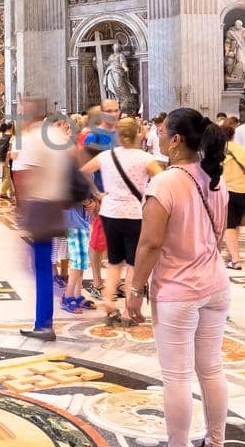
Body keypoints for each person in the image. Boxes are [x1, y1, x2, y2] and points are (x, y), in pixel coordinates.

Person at [125, 108, 231, 447]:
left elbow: (150, 243)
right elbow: (218, 236)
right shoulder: (216, 179)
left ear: (173, 140)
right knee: (212, 369)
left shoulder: (167, 183)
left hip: (177, 289)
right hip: (215, 284)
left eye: (162, 131)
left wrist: (134, 289)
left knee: (177, 377)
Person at [79, 118, 156, 326]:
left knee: (114, 262)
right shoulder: (145, 158)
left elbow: (82, 172)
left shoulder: (106, 156)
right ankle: (127, 311)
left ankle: (109, 303)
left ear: (118, 136)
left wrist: (98, 193)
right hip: (134, 214)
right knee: (132, 263)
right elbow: (162, 180)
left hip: (110, 212)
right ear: (138, 133)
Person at [12, 96, 73, 342]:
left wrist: (21, 211)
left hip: (39, 207)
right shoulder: (58, 136)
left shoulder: (32, 139)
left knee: (39, 267)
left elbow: (25, 175)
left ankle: (44, 323)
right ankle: (43, 320)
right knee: (42, 265)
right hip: (57, 205)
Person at [220, 123, 245, 270]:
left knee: (228, 226)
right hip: (244, 192)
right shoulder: (241, 149)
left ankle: (235, 260)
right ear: (233, 135)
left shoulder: (219, 150)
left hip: (227, 192)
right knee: (235, 225)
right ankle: (232, 254)